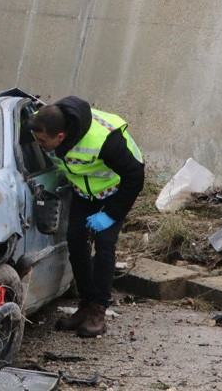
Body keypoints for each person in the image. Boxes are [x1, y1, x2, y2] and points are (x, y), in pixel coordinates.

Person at [28, 96, 144, 337]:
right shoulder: (50, 124)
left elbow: (135, 177)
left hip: (115, 189)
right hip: (83, 191)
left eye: (42, 141)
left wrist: (111, 214)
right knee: (76, 241)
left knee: (104, 244)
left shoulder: (104, 141)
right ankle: (85, 304)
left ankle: (98, 310)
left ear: (60, 137)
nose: (37, 144)